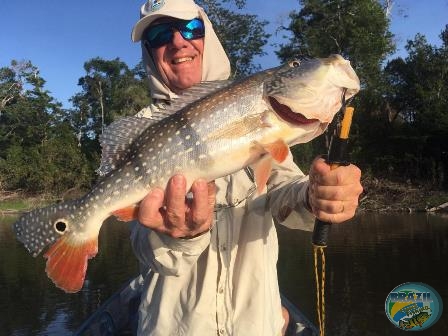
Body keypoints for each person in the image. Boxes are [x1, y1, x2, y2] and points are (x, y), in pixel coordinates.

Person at [129, 0, 363, 335]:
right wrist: (181, 239)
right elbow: (147, 249)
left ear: (206, 35)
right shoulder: (141, 130)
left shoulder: (254, 105)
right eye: (160, 33)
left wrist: (318, 195)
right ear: (150, 52)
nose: (178, 41)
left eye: (190, 28)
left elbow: (286, 193)